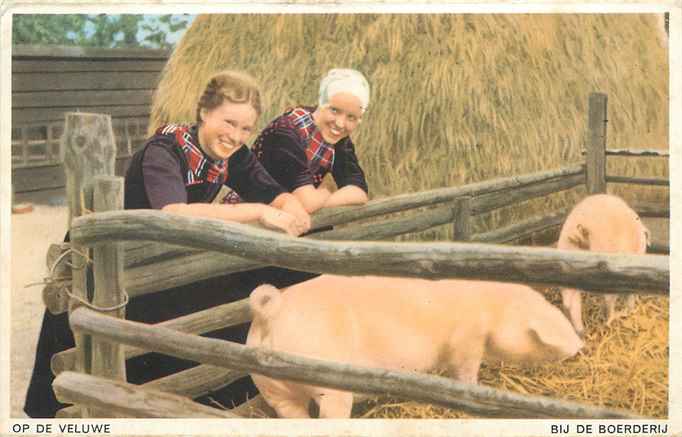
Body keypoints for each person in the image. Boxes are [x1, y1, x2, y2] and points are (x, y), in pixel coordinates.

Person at [24, 70, 313, 418]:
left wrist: (292, 207)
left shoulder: (233, 153)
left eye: (246, 128)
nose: (236, 136)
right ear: (204, 112)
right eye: (229, 122)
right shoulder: (164, 150)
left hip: (159, 257)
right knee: (87, 364)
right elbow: (174, 212)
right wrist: (260, 212)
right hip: (110, 261)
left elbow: (271, 191)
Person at [249, 68, 370, 213]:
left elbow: (359, 192)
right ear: (321, 103)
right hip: (251, 213)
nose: (340, 123)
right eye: (335, 111)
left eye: (351, 117)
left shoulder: (338, 140)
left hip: (292, 215)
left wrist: (320, 200)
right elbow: (307, 202)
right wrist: (323, 193)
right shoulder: (287, 131)